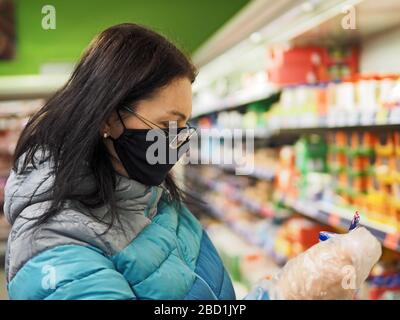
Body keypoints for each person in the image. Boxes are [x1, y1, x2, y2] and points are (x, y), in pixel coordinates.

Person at [3, 23, 379, 300]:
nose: (178, 140)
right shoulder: (53, 242)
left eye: (184, 125)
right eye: (168, 124)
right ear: (107, 117)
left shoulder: (147, 196)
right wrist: (290, 294)